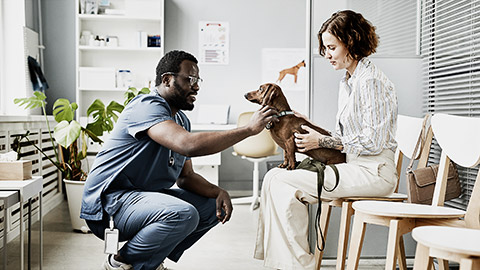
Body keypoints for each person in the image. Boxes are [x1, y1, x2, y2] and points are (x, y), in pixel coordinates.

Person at [81, 50, 278, 270]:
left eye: (198, 80)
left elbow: (186, 177)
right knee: (183, 214)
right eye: (190, 79)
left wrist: (217, 192)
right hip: (111, 205)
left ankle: (151, 261)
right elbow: (187, 145)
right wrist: (248, 129)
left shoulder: (181, 119)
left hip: (144, 200)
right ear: (167, 79)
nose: (196, 86)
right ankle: (120, 262)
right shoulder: (146, 105)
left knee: (209, 207)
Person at [254, 10, 398, 270]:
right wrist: (308, 125)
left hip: (374, 172)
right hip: (354, 165)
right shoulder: (349, 82)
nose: (326, 54)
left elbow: (373, 142)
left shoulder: (371, 82)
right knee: (273, 177)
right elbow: (348, 136)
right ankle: (287, 263)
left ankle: (298, 266)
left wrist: (322, 142)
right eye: (325, 48)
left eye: (331, 47)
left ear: (351, 42)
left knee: (283, 182)